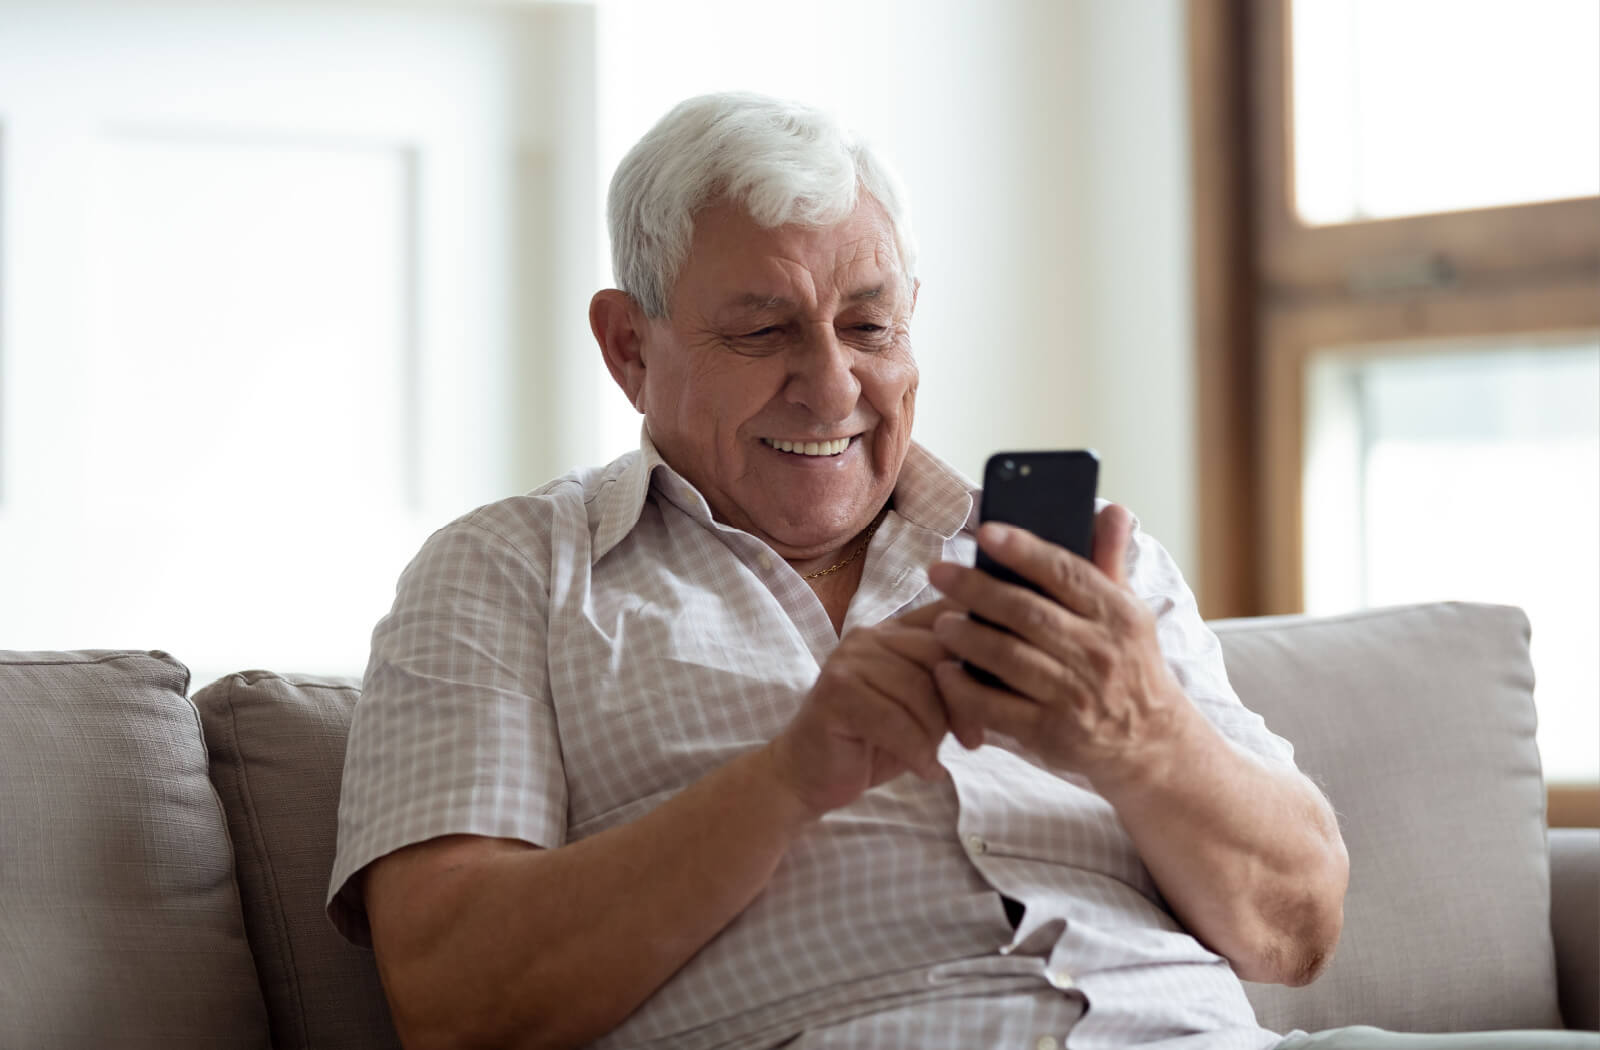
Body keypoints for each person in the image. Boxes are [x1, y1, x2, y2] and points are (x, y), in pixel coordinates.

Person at [327, 93, 1589, 1050]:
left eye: (869, 324)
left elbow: (1297, 929)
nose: (831, 385)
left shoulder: (1080, 560)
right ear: (627, 348)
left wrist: (1137, 737)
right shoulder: (506, 576)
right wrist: (784, 782)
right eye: (762, 330)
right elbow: (456, 996)